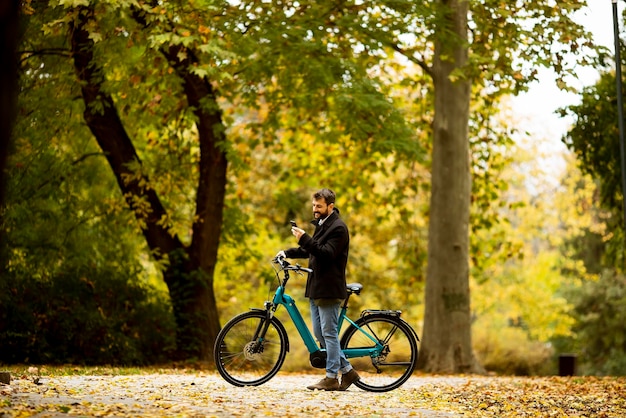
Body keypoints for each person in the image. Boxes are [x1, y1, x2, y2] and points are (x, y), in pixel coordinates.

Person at [276, 188, 360, 391]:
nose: (315, 209)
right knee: (320, 334)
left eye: (319, 206)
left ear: (330, 206)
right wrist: (287, 252)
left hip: (329, 288)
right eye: (314, 205)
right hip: (316, 287)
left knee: (329, 334)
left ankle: (331, 377)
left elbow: (326, 253)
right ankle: (348, 371)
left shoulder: (339, 228)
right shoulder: (323, 224)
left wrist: (305, 238)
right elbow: (310, 250)